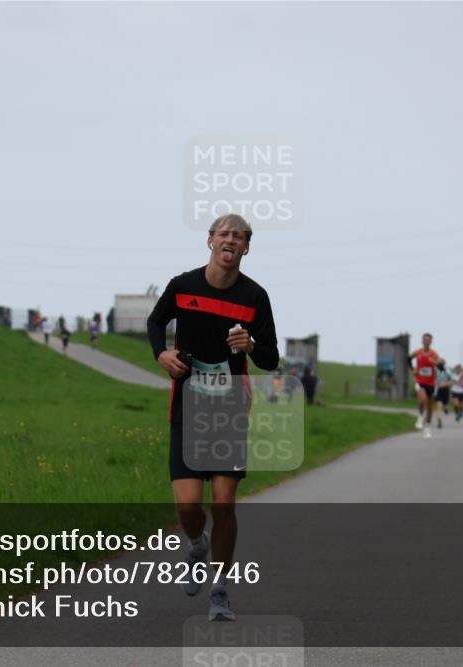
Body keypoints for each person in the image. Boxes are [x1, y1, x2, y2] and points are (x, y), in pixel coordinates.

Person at [147, 213, 279, 622]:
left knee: (223, 504)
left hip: (229, 410)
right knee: (188, 507)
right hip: (188, 408)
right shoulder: (182, 286)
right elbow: (155, 322)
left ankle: (219, 592)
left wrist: (251, 343)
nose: (231, 241)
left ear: (246, 248)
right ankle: (196, 544)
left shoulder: (255, 297)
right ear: (210, 241)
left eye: (240, 237)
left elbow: (270, 358)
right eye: (225, 234)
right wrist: (163, 354)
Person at [409, 333, 442, 438]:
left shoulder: (434, 354)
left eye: (428, 340)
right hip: (420, 380)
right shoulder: (417, 352)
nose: (426, 341)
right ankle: (419, 417)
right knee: (422, 399)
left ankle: (427, 428)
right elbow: (407, 359)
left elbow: (441, 368)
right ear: (422, 341)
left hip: (431, 383)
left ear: (431, 342)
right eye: (425, 340)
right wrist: (412, 370)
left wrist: (436, 363)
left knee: (430, 407)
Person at [434, 361, 453, 429]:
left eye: (442, 364)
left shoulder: (448, 371)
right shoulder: (435, 370)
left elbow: (451, 381)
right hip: (438, 391)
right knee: (439, 406)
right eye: (439, 364)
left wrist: (445, 384)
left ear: (444, 364)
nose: (440, 365)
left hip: (445, 390)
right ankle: (439, 421)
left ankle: (445, 409)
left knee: (444, 406)